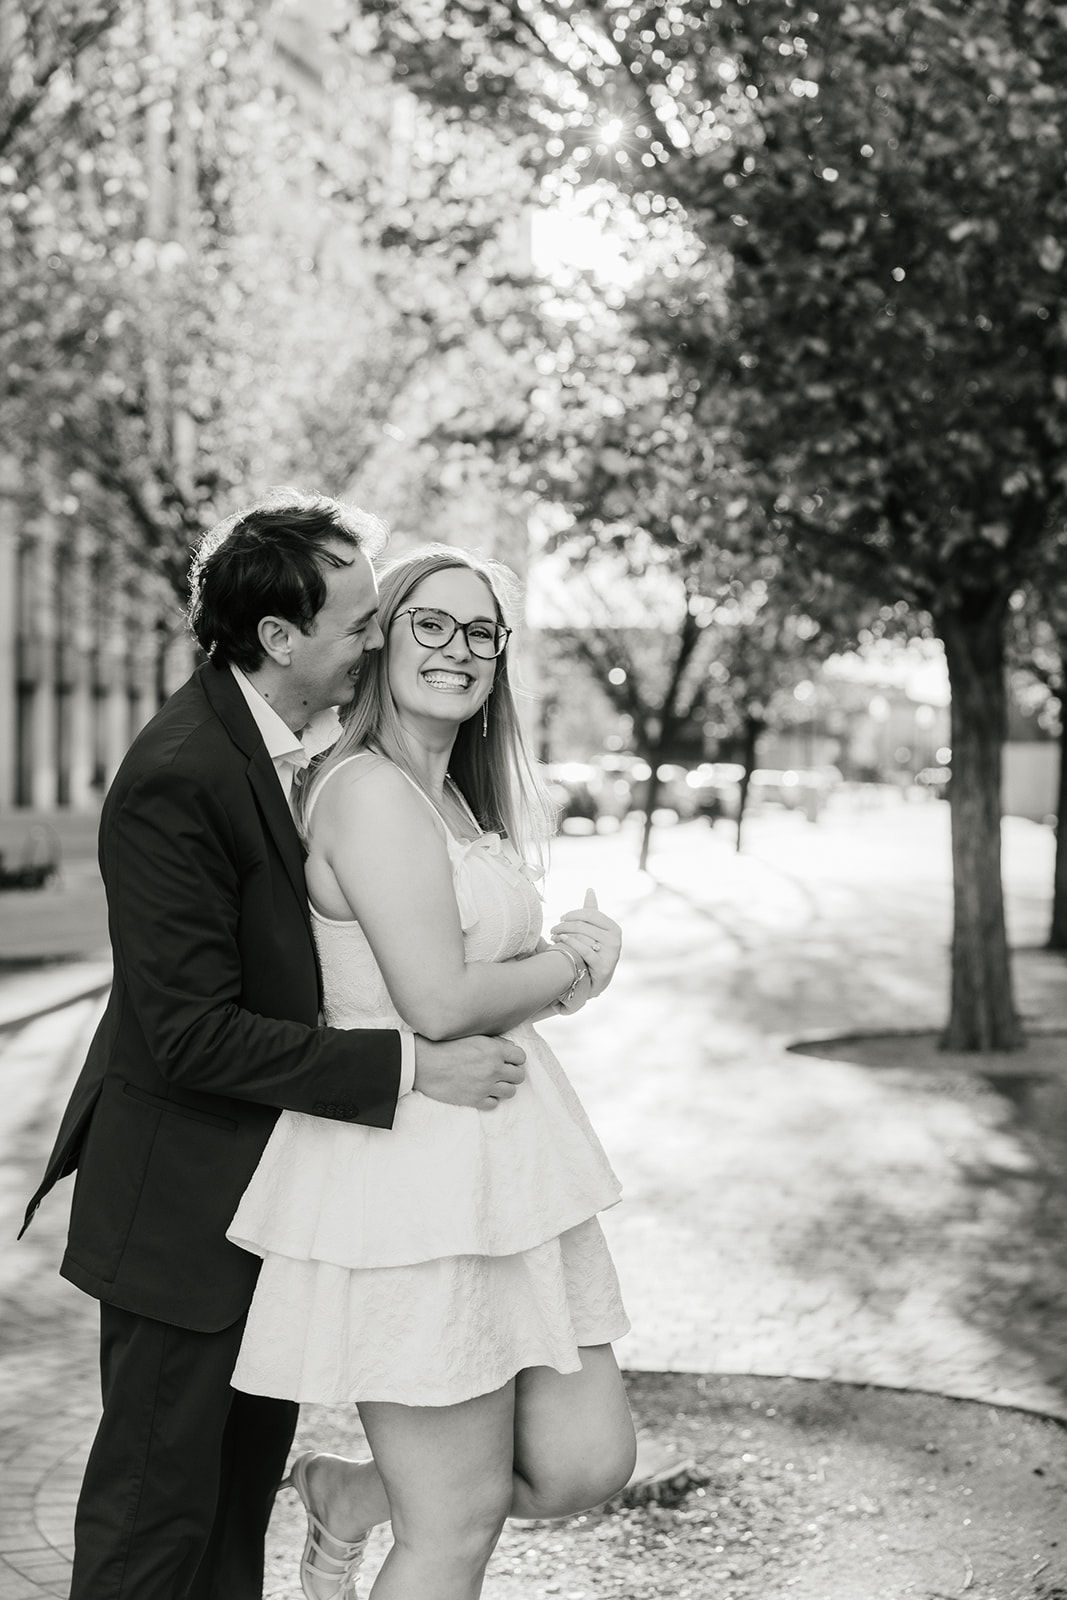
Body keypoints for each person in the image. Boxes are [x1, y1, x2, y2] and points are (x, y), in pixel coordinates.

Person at [19, 493, 527, 1600]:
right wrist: (404, 1066)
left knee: (234, 1505)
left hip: (269, 1201)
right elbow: (187, 1030)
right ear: (279, 638)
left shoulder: (283, 747)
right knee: (156, 1519)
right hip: (181, 1213)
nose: (380, 638)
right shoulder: (179, 773)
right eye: (362, 622)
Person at [226, 546, 637, 1600]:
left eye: (481, 632)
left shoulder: (452, 795)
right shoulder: (365, 792)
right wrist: (573, 967)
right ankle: (381, 1513)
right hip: (410, 1176)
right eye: (430, 624)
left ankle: (352, 1496)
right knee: (452, 1530)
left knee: (587, 1460)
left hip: (507, 1171)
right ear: (380, 637)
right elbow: (439, 1001)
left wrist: (544, 971)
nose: (458, 650)